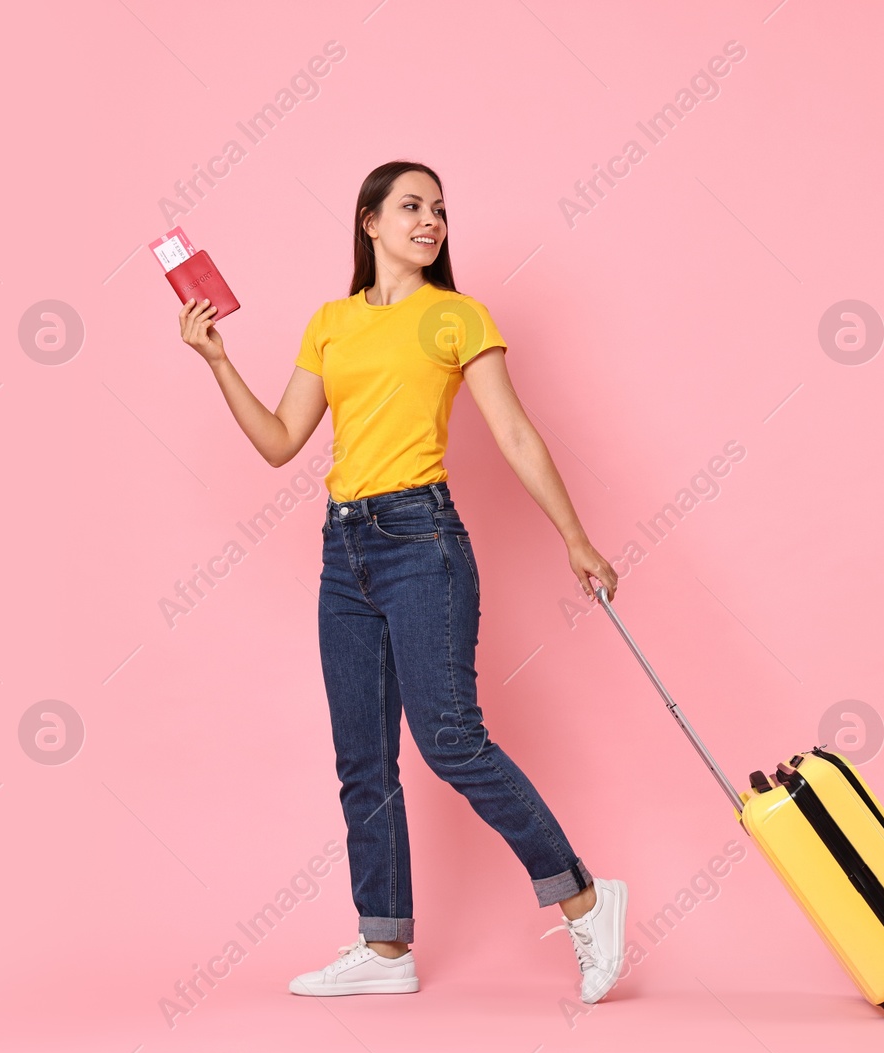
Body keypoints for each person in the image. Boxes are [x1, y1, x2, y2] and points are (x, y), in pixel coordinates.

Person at [176, 160, 628, 1005]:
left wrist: (576, 538)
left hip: (423, 541)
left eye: (441, 210)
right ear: (371, 221)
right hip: (343, 549)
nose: (432, 221)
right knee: (362, 758)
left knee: (451, 739)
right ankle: (385, 947)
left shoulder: (456, 316)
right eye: (413, 207)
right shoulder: (331, 322)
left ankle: (586, 899)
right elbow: (280, 442)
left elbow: (516, 435)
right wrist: (217, 359)